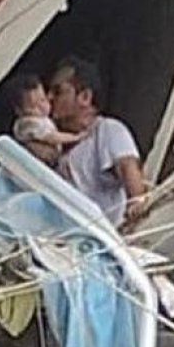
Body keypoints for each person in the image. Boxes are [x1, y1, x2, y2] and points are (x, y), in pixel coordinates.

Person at [47, 57, 148, 226]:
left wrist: (137, 205)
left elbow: (127, 167)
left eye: (58, 91)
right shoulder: (56, 142)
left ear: (85, 97)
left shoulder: (108, 129)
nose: (49, 97)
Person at [6, 73, 84, 167]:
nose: (41, 107)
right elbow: (52, 137)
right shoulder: (28, 124)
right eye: (33, 106)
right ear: (20, 111)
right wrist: (75, 137)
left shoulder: (43, 119)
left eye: (43, 100)